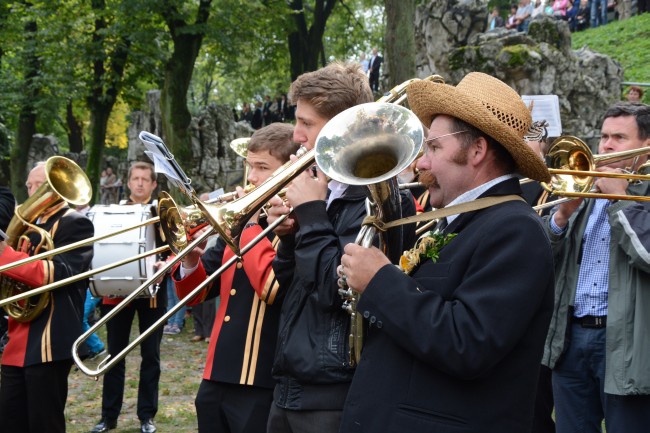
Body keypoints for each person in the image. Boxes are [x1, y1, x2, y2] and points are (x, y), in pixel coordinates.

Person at [336, 72, 555, 432]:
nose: (420, 164)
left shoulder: (516, 229)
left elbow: (468, 342)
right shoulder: (466, 221)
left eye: (433, 147)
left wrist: (380, 281)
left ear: (477, 151)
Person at [263, 61, 416, 433]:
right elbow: (292, 285)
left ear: (339, 128)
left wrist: (312, 214)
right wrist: (288, 236)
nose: (296, 135)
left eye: (307, 124)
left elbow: (337, 290)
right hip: (290, 384)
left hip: (333, 392)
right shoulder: (325, 192)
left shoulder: (379, 199)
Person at [172, 123, 299, 433]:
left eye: (262, 167)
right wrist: (190, 257)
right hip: (216, 375)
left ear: (289, 172)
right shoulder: (242, 228)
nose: (251, 177)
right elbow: (197, 293)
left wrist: (250, 226)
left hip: (260, 379)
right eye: (249, 166)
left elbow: (272, 288)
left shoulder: (294, 227)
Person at [541, 102, 650, 433]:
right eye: (604, 136)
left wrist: (620, 201)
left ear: (645, 147)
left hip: (626, 344)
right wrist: (561, 217)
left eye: (619, 137)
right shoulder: (587, 187)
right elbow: (542, 258)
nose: (606, 146)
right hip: (571, 337)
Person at [0, 161, 94, 433]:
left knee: (44, 423)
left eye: (36, 184)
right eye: (29, 185)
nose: (30, 190)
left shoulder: (75, 223)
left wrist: (6, 255)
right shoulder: (28, 227)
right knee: (9, 420)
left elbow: (59, 272)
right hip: (18, 338)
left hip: (49, 340)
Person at [90, 161, 168, 433]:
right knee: (115, 355)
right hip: (118, 292)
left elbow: (176, 247)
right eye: (135, 178)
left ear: (153, 184)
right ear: (129, 181)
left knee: (151, 356)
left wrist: (164, 265)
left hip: (154, 292)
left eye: (145, 179)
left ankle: (146, 416)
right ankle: (108, 417)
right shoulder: (116, 213)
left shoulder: (163, 212)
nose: (139, 183)